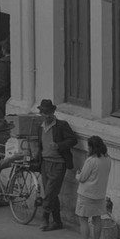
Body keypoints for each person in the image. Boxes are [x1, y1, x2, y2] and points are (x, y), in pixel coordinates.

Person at [36, 99, 78, 231]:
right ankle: (57, 221)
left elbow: (73, 140)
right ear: (41, 113)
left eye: (49, 113)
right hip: (45, 163)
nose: (47, 115)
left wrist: (59, 145)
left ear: (53, 112)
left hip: (58, 163)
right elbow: (40, 144)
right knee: (52, 193)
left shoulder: (61, 125)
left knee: (49, 192)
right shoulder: (40, 127)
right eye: (44, 113)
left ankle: (45, 217)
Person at [74, 135, 112, 239]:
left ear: (91, 147)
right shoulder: (107, 159)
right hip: (100, 193)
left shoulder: (91, 161)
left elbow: (82, 178)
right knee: (97, 219)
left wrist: (77, 175)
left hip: (86, 194)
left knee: (83, 219)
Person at [0, 37, 11, 121]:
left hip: (2, 95)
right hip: (9, 93)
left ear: (3, 49)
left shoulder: (3, 63)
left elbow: (3, 81)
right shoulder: (11, 61)